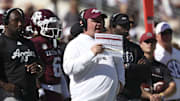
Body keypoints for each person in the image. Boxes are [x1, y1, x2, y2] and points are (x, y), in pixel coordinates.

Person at [63, 8, 125, 101]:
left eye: (100, 21)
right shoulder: (75, 44)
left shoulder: (109, 41)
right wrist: (91, 53)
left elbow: (119, 62)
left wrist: (121, 82)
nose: (99, 24)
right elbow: (69, 69)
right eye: (94, 21)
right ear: (83, 23)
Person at [0, 8, 43, 101]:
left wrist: (38, 68)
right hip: (10, 95)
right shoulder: (1, 43)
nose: (20, 24)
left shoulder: (28, 43)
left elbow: (40, 65)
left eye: (21, 21)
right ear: (6, 22)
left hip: (31, 94)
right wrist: (4, 85)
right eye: (15, 21)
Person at [30, 9, 70, 101]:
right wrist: (39, 89)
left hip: (57, 86)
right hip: (46, 87)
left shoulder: (54, 42)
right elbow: (33, 70)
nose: (54, 28)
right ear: (38, 25)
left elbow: (59, 69)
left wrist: (65, 92)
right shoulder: (36, 43)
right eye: (50, 25)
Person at [109, 13, 150, 101]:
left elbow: (145, 69)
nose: (127, 27)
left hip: (134, 95)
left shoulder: (135, 48)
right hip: (114, 95)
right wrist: (133, 67)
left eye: (128, 24)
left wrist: (127, 66)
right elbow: (110, 70)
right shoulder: (106, 47)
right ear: (113, 26)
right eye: (123, 25)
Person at [139, 32, 176, 101]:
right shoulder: (136, 64)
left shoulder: (162, 67)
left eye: (152, 42)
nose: (150, 44)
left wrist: (161, 95)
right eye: (147, 42)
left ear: (156, 45)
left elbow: (172, 86)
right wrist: (150, 96)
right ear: (140, 44)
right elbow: (132, 86)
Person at [154, 21, 180, 100]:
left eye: (169, 33)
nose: (167, 36)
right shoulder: (155, 54)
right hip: (165, 98)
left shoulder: (177, 52)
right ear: (157, 36)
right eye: (163, 34)